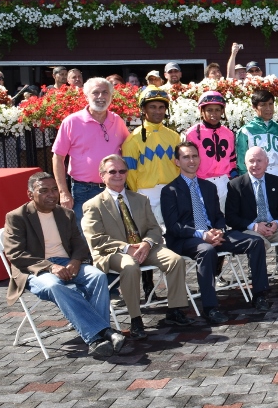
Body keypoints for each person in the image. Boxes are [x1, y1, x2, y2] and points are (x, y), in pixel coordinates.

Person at [3, 172, 127, 358]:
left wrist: (76, 261)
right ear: (30, 194)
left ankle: (96, 336)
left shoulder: (65, 214)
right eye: (44, 191)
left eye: (54, 190)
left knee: (98, 276)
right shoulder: (17, 217)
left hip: (67, 263)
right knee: (54, 285)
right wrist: (50, 267)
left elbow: (79, 244)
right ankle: (101, 334)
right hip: (35, 270)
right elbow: (15, 254)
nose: (51, 195)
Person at [162, 142, 271, 325]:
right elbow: (174, 226)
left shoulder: (208, 187)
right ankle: (210, 308)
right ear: (177, 162)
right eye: (186, 157)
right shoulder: (170, 191)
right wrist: (202, 235)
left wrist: (219, 231)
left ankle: (260, 294)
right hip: (185, 239)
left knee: (255, 242)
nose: (191, 160)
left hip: (213, 234)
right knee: (207, 250)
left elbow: (219, 216)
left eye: (195, 156)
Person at [82, 155, 191, 337]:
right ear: (102, 175)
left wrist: (147, 243)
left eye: (122, 171)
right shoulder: (93, 205)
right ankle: (136, 319)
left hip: (143, 248)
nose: (118, 175)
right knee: (130, 266)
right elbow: (96, 239)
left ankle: (174, 310)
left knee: (175, 260)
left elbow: (154, 228)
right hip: (112, 252)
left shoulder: (140, 199)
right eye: (112, 171)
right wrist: (126, 248)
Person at [52, 77, 132, 231]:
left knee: (116, 233)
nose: (101, 97)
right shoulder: (71, 122)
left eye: (105, 92)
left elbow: (129, 151)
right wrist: (63, 192)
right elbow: (58, 157)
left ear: (111, 96)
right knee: (86, 235)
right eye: (95, 93)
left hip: (114, 188)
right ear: (86, 96)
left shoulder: (117, 121)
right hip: (84, 190)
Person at [225, 146, 278, 296]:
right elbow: (231, 217)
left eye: (259, 160)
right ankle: (260, 284)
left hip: (274, 227)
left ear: (267, 162)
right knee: (259, 243)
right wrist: (254, 226)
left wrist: (276, 223)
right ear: (244, 163)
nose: (255, 165)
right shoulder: (235, 185)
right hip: (251, 229)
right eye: (251, 161)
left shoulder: (275, 181)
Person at [122, 87, 180, 224]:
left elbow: (179, 167)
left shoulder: (174, 137)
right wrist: (138, 195)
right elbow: (130, 172)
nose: (158, 111)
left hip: (171, 191)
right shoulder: (133, 139)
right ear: (144, 109)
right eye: (152, 107)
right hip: (145, 193)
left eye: (161, 107)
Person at [236, 88, 278, 202]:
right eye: (263, 105)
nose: (268, 108)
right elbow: (241, 161)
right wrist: (245, 182)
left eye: (271, 104)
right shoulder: (245, 131)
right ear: (254, 107)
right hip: (255, 175)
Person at [183, 91, 238, 204]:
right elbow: (187, 161)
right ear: (202, 111)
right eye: (209, 110)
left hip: (224, 182)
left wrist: (233, 180)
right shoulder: (192, 133)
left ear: (222, 111)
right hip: (201, 182)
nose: (214, 114)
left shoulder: (228, 133)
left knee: (225, 218)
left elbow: (232, 160)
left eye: (217, 110)